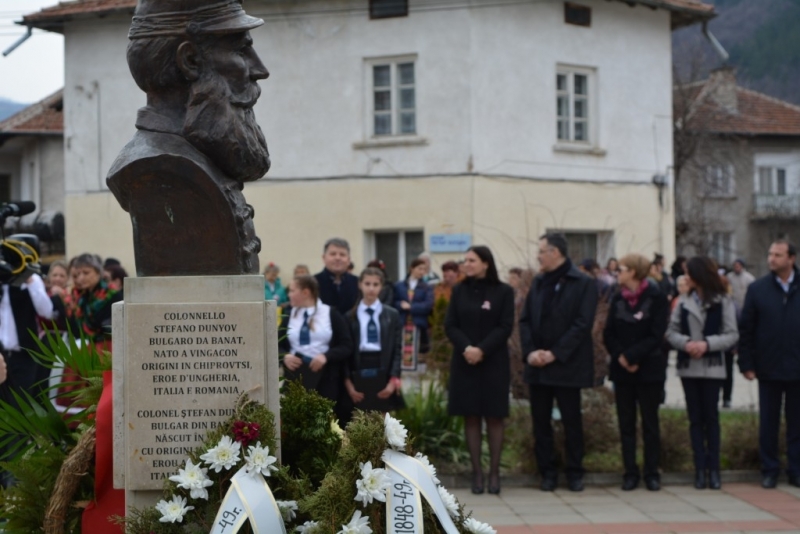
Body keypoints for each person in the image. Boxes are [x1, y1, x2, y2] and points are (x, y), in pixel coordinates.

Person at [106, 0, 270, 276]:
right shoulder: (157, 169)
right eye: (242, 50)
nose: (259, 69)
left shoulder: (204, 159)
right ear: (190, 61)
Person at [519, 233, 597, 492]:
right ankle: (547, 473)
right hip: (538, 367)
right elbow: (526, 320)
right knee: (541, 422)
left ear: (555, 253)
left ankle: (575, 472)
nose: (538, 256)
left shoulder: (582, 282)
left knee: (571, 421)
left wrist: (555, 353)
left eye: (541, 251)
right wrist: (531, 353)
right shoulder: (539, 282)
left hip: (567, 366)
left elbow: (582, 324)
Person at [445, 246, 514, 495]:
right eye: (466, 260)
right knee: (471, 416)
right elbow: (450, 325)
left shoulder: (503, 291)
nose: (467, 264)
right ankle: (477, 473)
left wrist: (482, 350)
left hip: (493, 361)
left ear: (486, 263)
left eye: (472, 260)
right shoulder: (459, 291)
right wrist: (467, 348)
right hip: (465, 362)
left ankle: (494, 474)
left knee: (494, 416)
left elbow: (505, 326)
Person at [666, 256, 738, 491]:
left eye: (689, 273)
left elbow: (731, 334)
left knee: (712, 419)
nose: (685, 277)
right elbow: (671, 331)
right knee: (695, 420)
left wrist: (706, 344)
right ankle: (699, 469)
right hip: (689, 366)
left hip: (712, 366)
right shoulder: (683, 301)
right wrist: (686, 344)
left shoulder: (723, 300)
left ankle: (714, 469)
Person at [603, 254, 669, 492]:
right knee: (626, 423)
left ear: (633, 272)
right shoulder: (618, 297)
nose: (616, 272)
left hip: (648, 369)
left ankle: (651, 472)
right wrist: (622, 356)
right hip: (623, 372)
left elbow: (656, 334)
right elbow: (608, 333)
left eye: (620, 268)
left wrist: (633, 356)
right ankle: (630, 472)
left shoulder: (657, 297)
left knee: (650, 423)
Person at [738, 240, 800, 489]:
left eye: (778, 255)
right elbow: (746, 329)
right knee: (768, 423)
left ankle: (795, 470)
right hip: (769, 366)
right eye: (770, 254)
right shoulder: (758, 289)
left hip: (797, 368)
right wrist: (746, 363)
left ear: (791, 258)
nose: (771, 259)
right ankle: (770, 469)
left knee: (797, 423)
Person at [279, 275, 353, 422]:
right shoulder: (289, 314)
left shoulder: (330, 313)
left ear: (306, 292)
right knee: (295, 421)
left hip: (324, 378)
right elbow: (277, 343)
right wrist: (285, 356)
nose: (289, 295)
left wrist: (326, 356)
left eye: (292, 291)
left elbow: (346, 344)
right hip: (296, 376)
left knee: (322, 421)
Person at [344, 268, 404, 414]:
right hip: (359, 365)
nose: (371, 288)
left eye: (376, 284)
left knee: (382, 416)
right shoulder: (350, 316)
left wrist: (393, 380)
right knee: (360, 416)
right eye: (367, 283)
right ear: (360, 284)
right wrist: (348, 384)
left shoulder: (392, 315)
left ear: (381, 287)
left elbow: (397, 349)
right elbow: (346, 351)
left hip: (383, 364)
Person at [394, 259, 435, 354]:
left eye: (424, 270)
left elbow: (428, 305)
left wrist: (411, 307)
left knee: (418, 352)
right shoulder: (399, 286)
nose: (422, 272)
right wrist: (400, 305)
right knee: (400, 351)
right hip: (402, 323)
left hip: (418, 323)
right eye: (420, 269)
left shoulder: (426, 287)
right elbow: (393, 302)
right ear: (412, 268)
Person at [314, 238, 359, 316]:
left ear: (348, 260)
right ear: (324, 258)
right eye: (333, 254)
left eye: (342, 255)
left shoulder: (358, 283)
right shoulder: (313, 283)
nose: (337, 258)